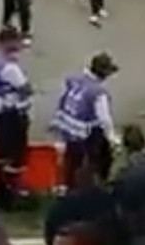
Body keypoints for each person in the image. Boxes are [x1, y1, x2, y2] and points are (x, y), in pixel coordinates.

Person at [51, 53, 121, 190]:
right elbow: (104, 119)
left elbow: (63, 99)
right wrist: (112, 138)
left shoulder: (74, 79)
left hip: (68, 127)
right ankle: (93, 187)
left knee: (71, 162)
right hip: (85, 132)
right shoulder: (98, 92)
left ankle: (69, 187)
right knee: (95, 161)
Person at [0, 27, 33, 211]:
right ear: (8, 43)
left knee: (3, 150)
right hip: (12, 112)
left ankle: (1, 187)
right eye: (16, 42)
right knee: (15, 154)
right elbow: (25, 87)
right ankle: (10, 193)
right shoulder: (10, 67)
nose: (19, 45)